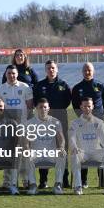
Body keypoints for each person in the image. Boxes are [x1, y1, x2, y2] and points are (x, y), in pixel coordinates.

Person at [33, 60, 72, 188]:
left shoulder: (64, 85)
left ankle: (64, 179)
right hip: (43, 122)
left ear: (57, 69)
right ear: (45, 70)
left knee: (62, 149)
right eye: (49, 68)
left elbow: (67, 101)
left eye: (53, 68)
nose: (51, 70)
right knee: (43, 148)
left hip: (61, 121)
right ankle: (43, 180)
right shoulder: (39, 86)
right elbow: (35, 102)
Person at [71, 62, 104, 188]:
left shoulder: (100, 86)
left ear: (93, 71)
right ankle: (83, 181)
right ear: (82, 72)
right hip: (83, 124)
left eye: (89, 70)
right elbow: (75, 105)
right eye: (85, 70)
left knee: (101, 149)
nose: (87, 72)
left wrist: (100, 117)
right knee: (83, 148)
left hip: (98, 124)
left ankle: (102, 180)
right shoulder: (77, 88)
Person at [69, 97, 104, 196]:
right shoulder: (75, 123)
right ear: (81, 107)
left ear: (93, 107)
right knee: (74, 154)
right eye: (85, 106)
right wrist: (74, 147)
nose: (87, 108)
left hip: (96, 152)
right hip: (82, 152)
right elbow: (71, 138)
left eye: (89, 106)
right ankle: (78, 186)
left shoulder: (99, 122)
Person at [24, 99, 66, 195]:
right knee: (27, 155)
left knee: (62, 154)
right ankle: (33, 185)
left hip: (50, 153)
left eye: (45, 107)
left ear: (48, 109)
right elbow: (26, 141)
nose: (43, 109)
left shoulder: (55, 122)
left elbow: (61, 138)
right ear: (36, 109)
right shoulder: (30, 123)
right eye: (40, 107)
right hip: (36, 153)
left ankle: (58, 184)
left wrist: (62, 147)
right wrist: (27, 149)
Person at [0, 97, 22, 195]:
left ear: (4, 107)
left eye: (1, 106)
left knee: (18, 154)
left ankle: (13, 186)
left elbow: (17, 138)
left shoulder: (12, 122)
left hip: (8, 152)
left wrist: (13, 149)